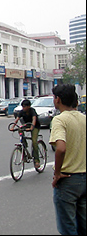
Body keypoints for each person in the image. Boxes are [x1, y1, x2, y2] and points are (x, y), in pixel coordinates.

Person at [49, 84, 86, 235]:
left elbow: (61, 148)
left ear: (58, 99)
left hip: (68, 179)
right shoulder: (84, 119)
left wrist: (57, 173)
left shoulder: (59, 120)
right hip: (84, 177)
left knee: (68, 228)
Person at [11, 99, 41, 169]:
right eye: (22, 106)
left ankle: (37, 160)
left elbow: (34, 119)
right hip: (27, 125)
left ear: (29, 106)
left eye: (24, 106)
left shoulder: (32, 111)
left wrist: (32, 127)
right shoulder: (22, 112)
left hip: (35, 126)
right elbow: (17, 119)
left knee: (34, 142)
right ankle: (24, 144)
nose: (23, 108)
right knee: (20, 129)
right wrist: (12, 127)